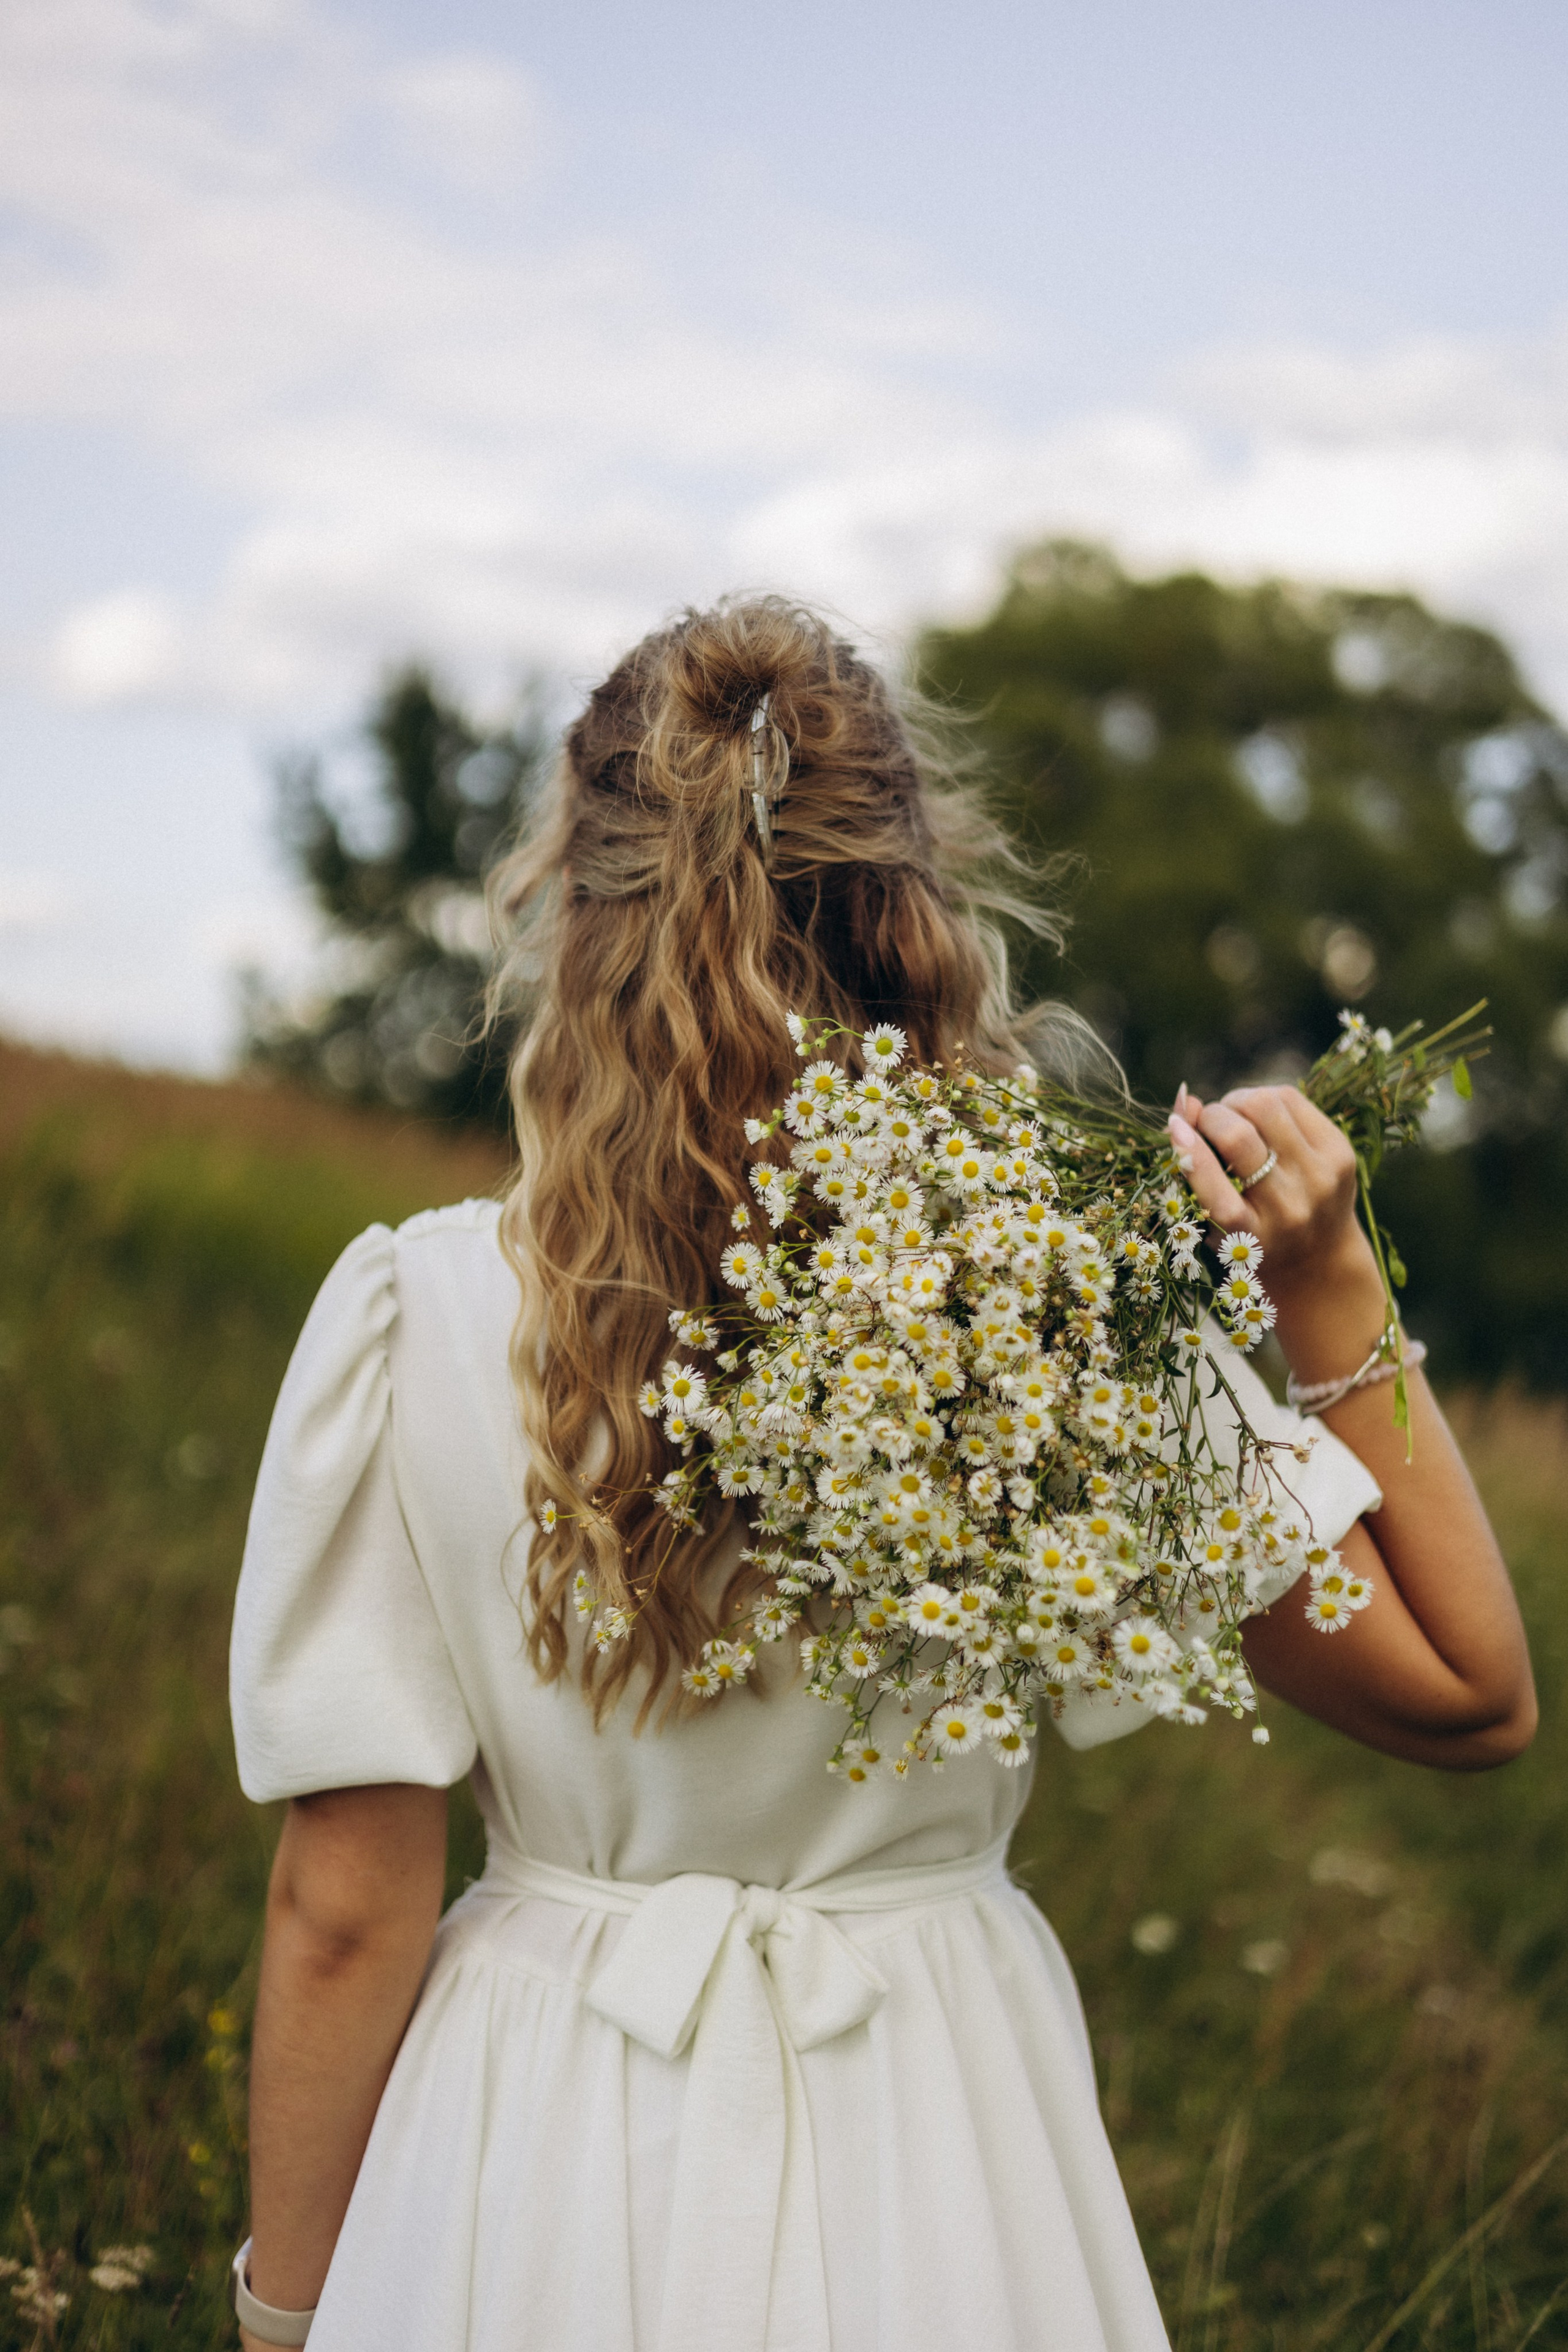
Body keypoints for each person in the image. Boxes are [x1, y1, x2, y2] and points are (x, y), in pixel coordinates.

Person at [227, 598, 1536, 2352]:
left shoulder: (425, 1317)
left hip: (530, 2140)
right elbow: (1467, 1692)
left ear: (577, 907)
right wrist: (1333, 1288)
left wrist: (288, 2315)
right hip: (936, 2135)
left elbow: (342, 1904)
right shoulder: (1045, 1302)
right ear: (920, 909)